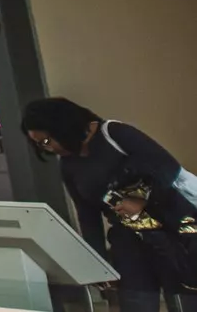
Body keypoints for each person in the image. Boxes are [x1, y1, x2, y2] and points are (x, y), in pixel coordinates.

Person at [22, 97, 197, 312]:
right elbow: (87, 215)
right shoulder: (68, 165)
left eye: (47, 141)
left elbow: (168, 168)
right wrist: (98, 264)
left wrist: (140, 199)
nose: (46, 149)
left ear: (62, 127)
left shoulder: (114, 133)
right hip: (128, 239)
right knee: (136, 302)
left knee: (186, 301)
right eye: (38, 145)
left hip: (173, 231)